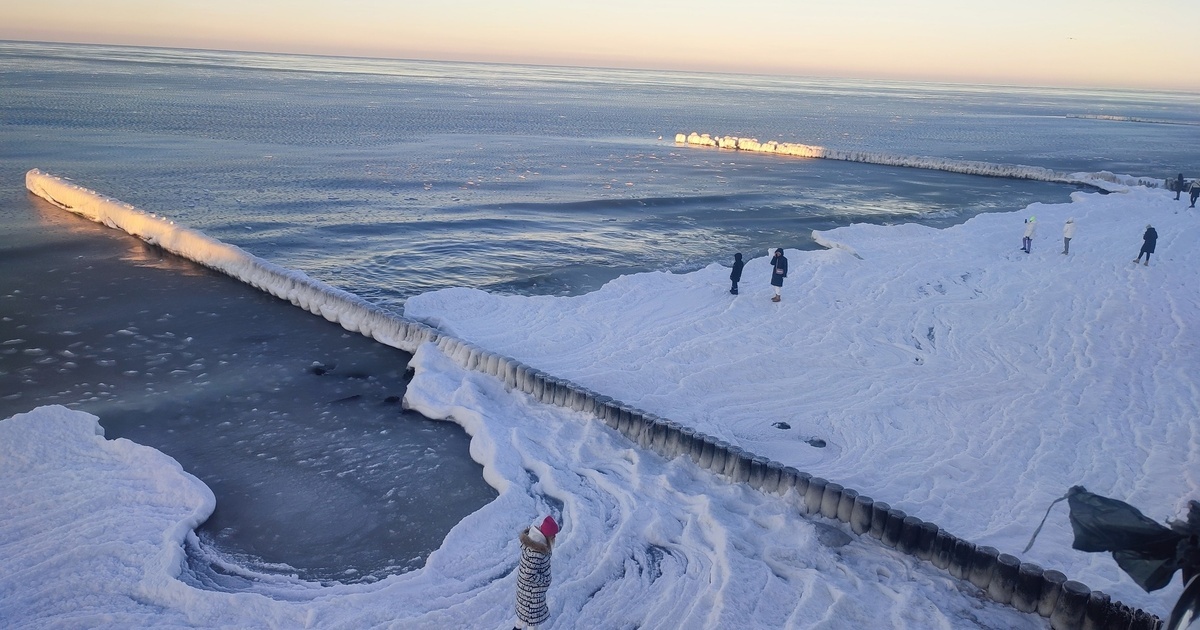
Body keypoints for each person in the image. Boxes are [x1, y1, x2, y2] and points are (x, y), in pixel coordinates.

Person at [515, 516, 559, 630]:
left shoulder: (533, 542)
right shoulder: (537, 552)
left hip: (526, 590)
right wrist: (544, 580)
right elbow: (528, 574)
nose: (555, 537)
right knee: (532, 622)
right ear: (548, 535)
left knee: (523, 616)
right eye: (553, 534)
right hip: (532, 594)